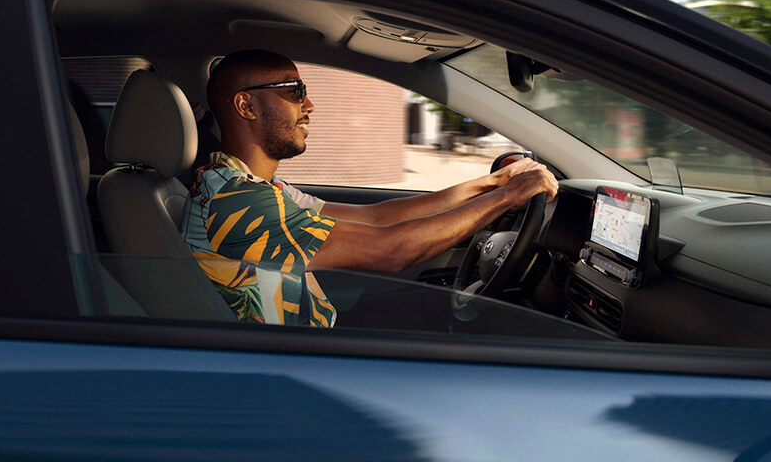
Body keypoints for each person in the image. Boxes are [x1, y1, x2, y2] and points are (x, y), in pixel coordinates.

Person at [181, 49, 558, 327]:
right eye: (294, 90)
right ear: (246, 106)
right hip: (293, 371)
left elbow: (376, 216)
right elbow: (391, 250)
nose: (309, 104)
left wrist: (491, 183)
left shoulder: (251, 184)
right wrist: (508, 197)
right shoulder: (236, 201)